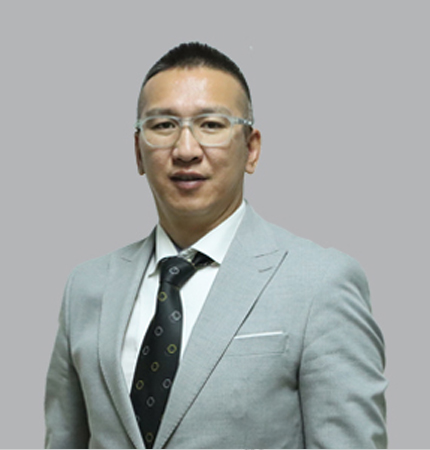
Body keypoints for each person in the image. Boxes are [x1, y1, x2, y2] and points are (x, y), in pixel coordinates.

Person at [44, 42, 387, 449]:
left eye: (211, 125)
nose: (186, 150)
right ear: (138, 151)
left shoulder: (320, 284)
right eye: (163, 125)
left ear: (251, 148)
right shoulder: (87, 287)